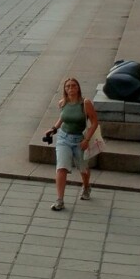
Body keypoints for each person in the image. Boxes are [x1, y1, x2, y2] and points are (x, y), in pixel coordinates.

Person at [44, 77, 98, 212]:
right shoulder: (63, 102)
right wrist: (54, 129)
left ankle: (86, 186)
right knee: (61, 167)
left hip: (79, 140)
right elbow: (63, 117)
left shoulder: (85, 103)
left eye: (73, 86)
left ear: (78, 87)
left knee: (83, 168)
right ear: (64, 89)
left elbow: (94, 122)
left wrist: (86, 140)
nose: (70, 88)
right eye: (67, 86)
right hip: (63, 138)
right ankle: (60, 200)